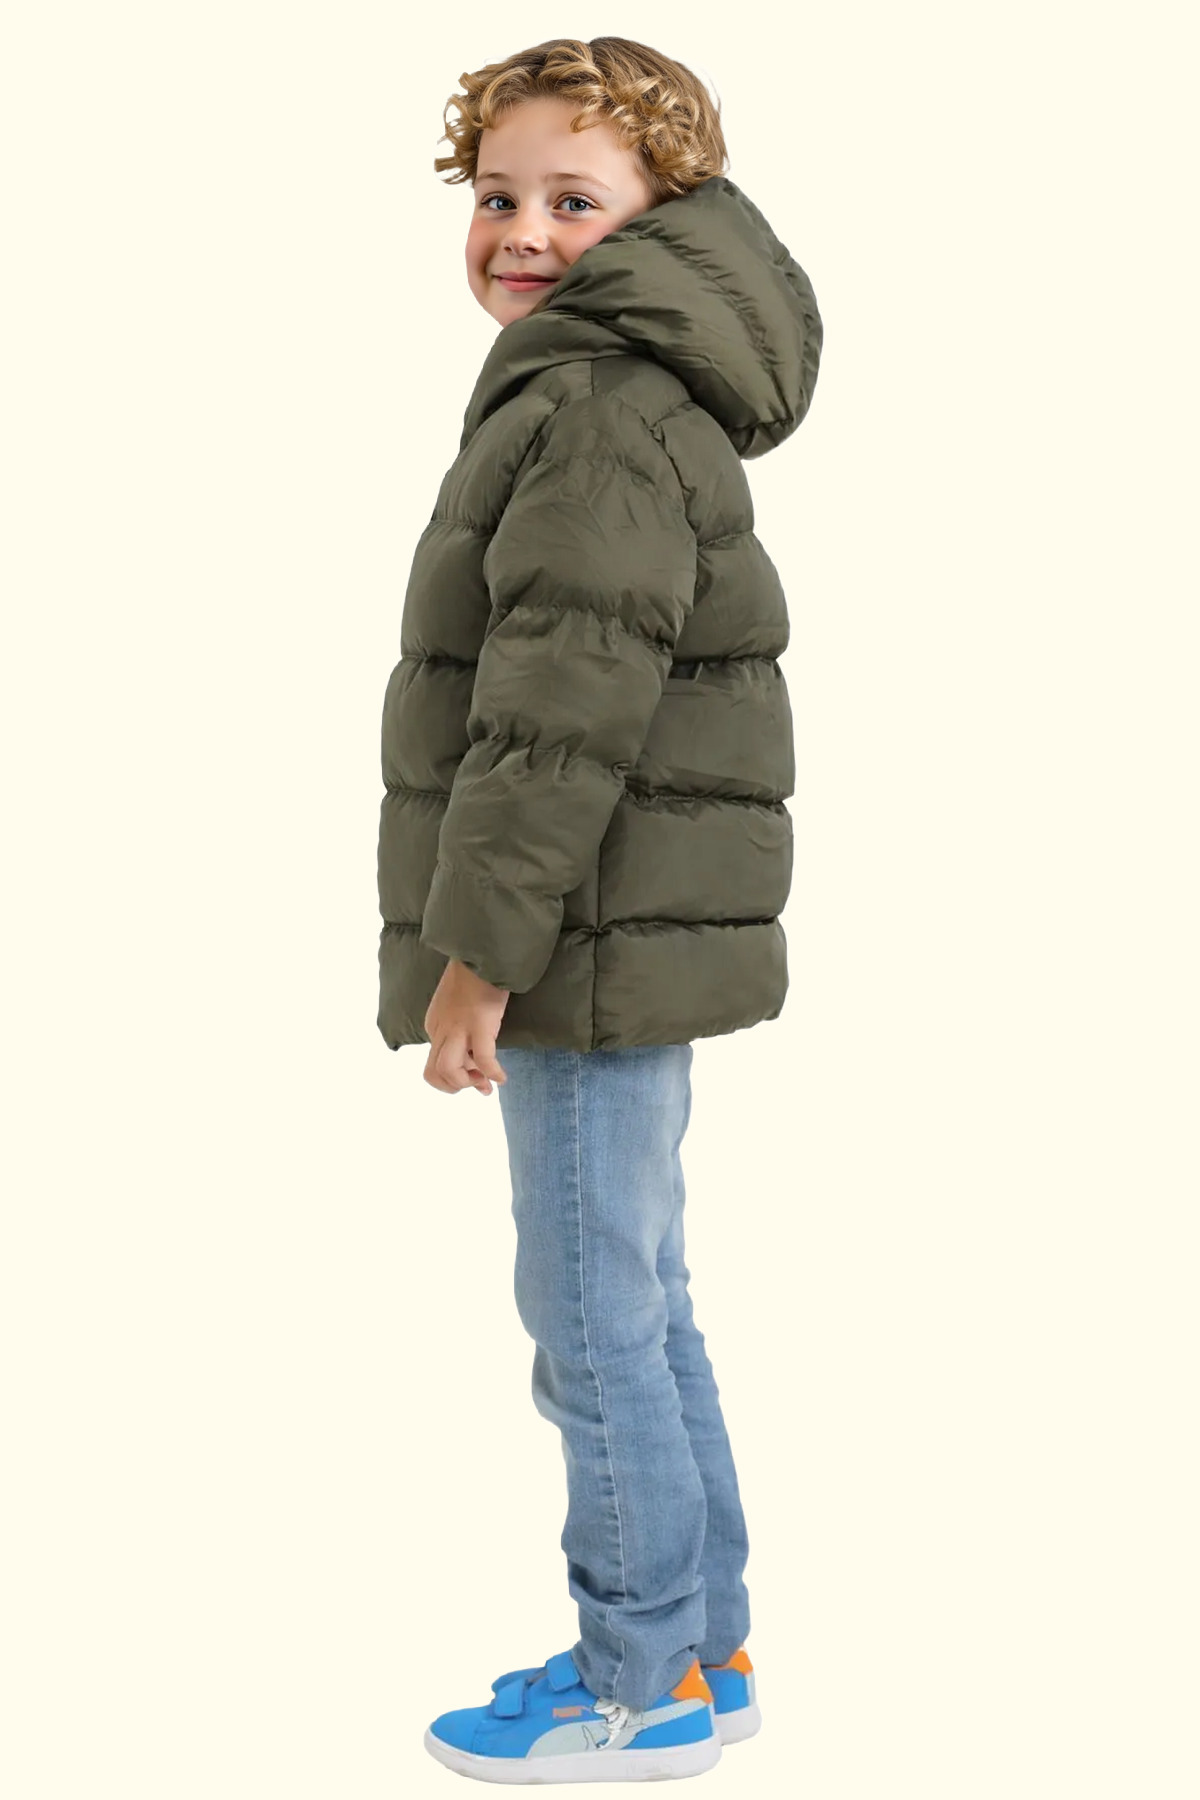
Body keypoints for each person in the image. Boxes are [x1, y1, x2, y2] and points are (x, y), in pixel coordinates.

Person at [376, 35, 822, 1784]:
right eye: (499, 194)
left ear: (666, 214)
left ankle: (636, 1685)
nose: (523, 232)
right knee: (640, 1297)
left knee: (589, 1318)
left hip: (582, 937)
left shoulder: (597, 410)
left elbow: (558, 718)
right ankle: (703, 1651)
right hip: (624, 926)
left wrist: (477, 954)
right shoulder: (612, 388)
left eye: (576, 199)